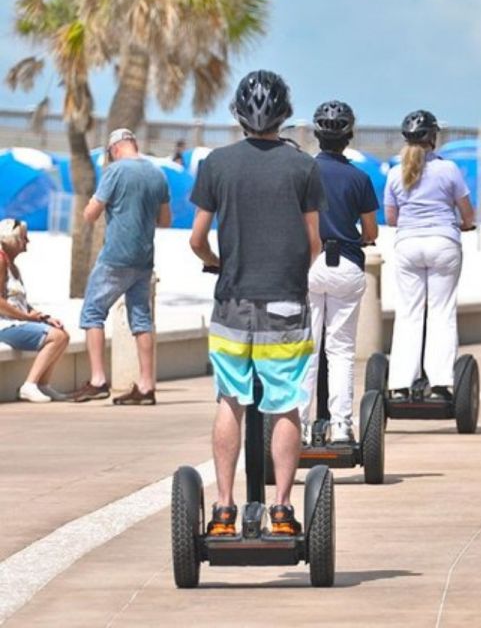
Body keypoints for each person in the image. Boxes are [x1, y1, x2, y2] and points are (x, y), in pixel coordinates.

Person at [189, 70, 324, 538]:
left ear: (238, 114)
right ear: (284, 113)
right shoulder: (303, 166)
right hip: (285, 300)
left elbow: (197, 239)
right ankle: (283, 511)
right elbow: (314, 242)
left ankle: (224, 510)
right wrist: (290, 272)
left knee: (231, 400)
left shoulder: (216, 164)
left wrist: (217, 264)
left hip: (232, 301)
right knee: (285, 405)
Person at [299, 100, 378, 445]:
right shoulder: (360, 177)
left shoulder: (302, 171)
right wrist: (357, 237)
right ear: (349, 136)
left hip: (309, 264)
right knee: (341, 350)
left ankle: (299, 427)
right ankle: (343, 427)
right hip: (345, 264)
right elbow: (371, 231)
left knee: (307, 348)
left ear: (317, 135)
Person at [72, 128, 171, 404]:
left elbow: (90, 215)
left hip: (115, 257)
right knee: (141, 320)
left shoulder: (114, 172)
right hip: (144, 258)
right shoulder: (158, 173)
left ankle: (98, 380)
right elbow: (165, 220)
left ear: (114, 149)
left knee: (92, 312)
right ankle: (146, 386)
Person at [384, 109, 474, 397]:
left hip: (408, 245)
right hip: (443, 243)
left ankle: (399, 384)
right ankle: (439, 382)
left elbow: (391, 218)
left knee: (409, 313)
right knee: (441, 312)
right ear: (433, 138)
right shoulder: (449, 169)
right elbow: (467, 213)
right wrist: (466, 225)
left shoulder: (395, 173)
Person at [0, 218, 70, 402]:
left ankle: (42, 385)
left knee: (62, 334)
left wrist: (43, 317)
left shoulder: (13, 267)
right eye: (24, 238)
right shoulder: (0, 262)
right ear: (12, 239)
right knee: (57, 337)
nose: (27, 242)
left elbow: (20, 302)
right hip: (4, 325)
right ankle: (29, 385)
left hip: (16, 321)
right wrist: (26, 317)